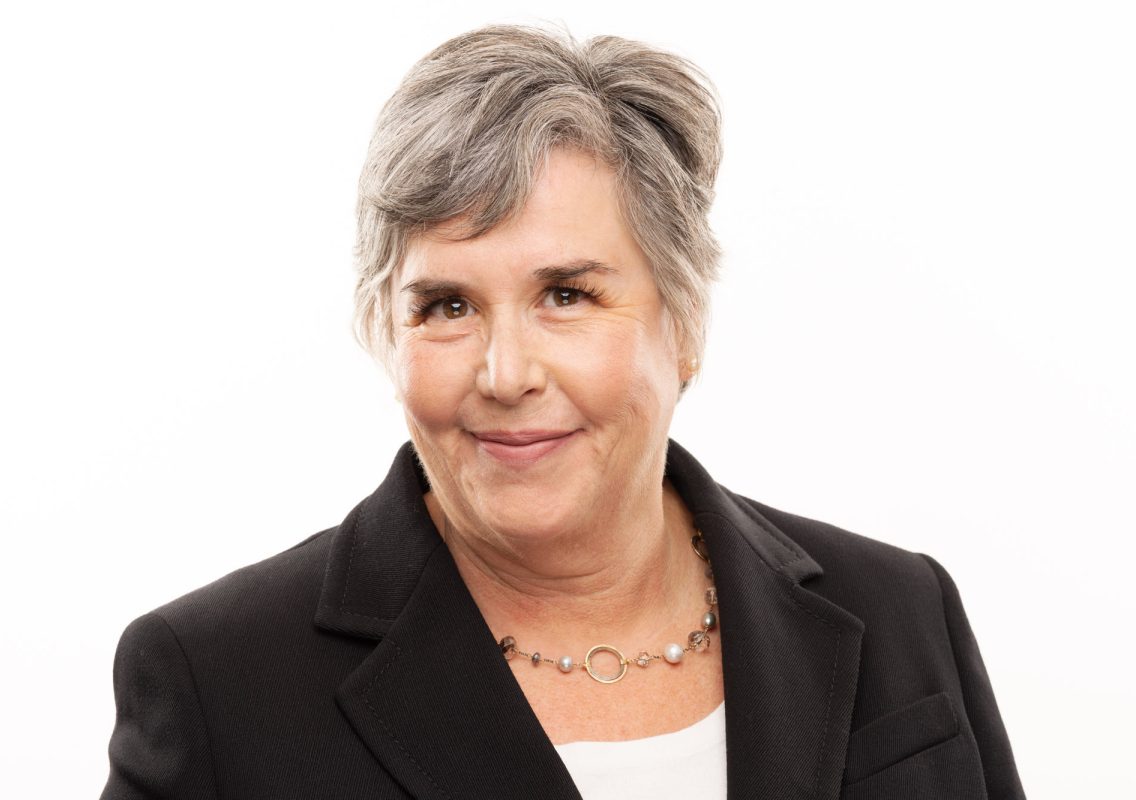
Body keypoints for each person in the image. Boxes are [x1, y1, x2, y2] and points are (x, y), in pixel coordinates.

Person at [100, 24, 1025, 800]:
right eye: (447, 306)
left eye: (568, 295)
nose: (505, 374)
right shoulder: (216, 684)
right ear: (386, 332)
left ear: (685, 320)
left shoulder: (903, 610)